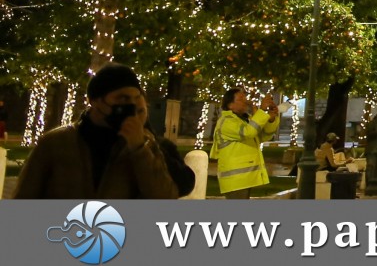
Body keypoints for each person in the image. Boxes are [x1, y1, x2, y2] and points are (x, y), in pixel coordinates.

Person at [9, 64, 182, 200]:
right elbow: (25, 196)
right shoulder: (56, 142)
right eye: (122, 98)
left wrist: (138, 149)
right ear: (96, 101)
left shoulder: (145, 144)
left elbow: (164, 198)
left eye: (137, 98)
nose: (132, 105)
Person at [211, 85, 280, 199]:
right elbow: (249, 132)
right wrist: (261, 111)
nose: (245, 101)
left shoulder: (245, 119)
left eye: (245, 98)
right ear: (230, 104)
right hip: (235, 180)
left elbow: (263, 136)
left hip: (245, 178)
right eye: (240, 99)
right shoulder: (226, 122)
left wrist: (271, 119)